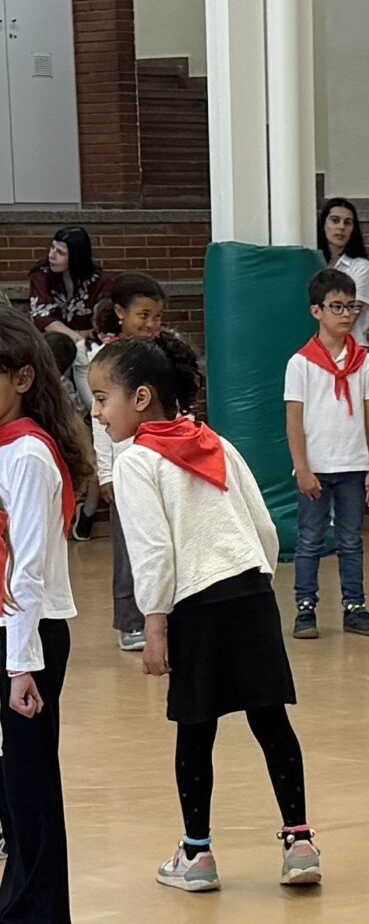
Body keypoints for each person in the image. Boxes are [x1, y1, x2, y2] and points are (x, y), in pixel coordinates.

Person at [93, 331, 319, 895]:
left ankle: (197, 856)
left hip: (196, 605)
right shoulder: (215, 441)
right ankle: (299, 844)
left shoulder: (135, 461)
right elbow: (263, 525)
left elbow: (152, 551)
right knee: (272, 722)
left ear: (141, 398)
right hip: (251, 592)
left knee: (195, 731)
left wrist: (153, 623)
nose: (96, 412)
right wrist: (258, 584)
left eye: (101, 398)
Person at [0, 309, 88, 924]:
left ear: (23, 378)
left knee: (30, 786)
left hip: (26, 640)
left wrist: (20, 665)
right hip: (9, 634)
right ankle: (17, 915)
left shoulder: (28, 453)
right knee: (11, 786)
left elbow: (28, 567)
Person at [283, 267, 369, 640]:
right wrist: (302, 467)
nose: (346, 314)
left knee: (351, 540)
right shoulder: (300, 363)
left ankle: (355, 607)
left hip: (353, 465)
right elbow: (294, 421)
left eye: (351, 306)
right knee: (310, 539)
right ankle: (305, 608)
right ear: (317, 311)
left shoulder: (365, 361)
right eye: (337, 307)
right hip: (316, 466)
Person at [96, 272, 168, 652]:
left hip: (162, 462)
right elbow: (99, 423)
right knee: (128, 548)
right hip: (126, 467)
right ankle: (129, 621)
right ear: (120, 313)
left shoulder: (162, 358)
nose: (152, 324)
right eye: (144, 315)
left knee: (160, 542)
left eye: (157, 316)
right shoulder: (107, 360)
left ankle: (163, 614)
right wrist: (106, 473)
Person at [25, 225, 104, 348]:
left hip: (92, 345)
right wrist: (78, 338)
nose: (51, 255)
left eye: (60, 253)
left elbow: (103, 321)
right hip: (53, 345)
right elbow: (43, 316)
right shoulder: (41, 276)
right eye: (52, 248)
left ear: (76, 257)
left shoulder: (99, 281)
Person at [315, 198, 369, 343]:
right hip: (313, 346)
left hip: (349, 348)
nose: (341, 227)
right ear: (323, 225)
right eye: (335, 220)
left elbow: (349, 316)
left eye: (347, 222)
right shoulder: (313, 263)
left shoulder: (361, 267)